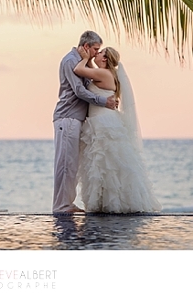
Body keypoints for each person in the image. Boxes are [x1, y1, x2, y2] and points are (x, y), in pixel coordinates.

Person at [73, 45, 161, 213]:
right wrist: (91, 60)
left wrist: (85, 58)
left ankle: (108, 204)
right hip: (105, 120)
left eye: (100, 53)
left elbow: (78, 69)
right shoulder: (106, 73)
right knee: (107, 165)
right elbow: (91, 72)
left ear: (105, 59)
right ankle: (108, 203)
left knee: (105, 165)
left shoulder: (103, 73)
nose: (97, 54)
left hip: (102, 122)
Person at [52, 31, 118, 214]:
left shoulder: (81, 61)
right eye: (95, 49)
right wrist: (104, 101)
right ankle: (61, 206)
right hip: (68, 117)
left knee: (71, 164)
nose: (97, 53)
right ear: (86, 47)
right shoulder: (70, 61)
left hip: (75, 119)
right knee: (65, 164)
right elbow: (79, 91)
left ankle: (67, 204)